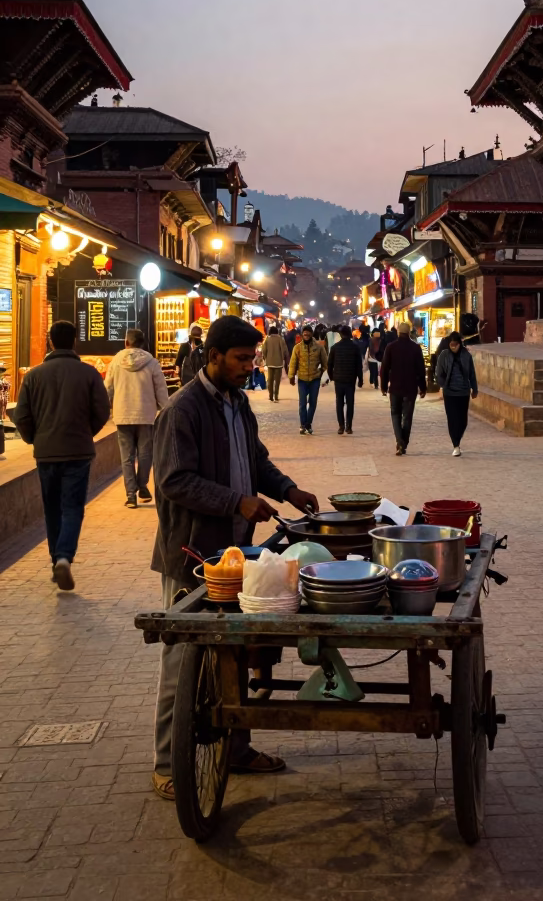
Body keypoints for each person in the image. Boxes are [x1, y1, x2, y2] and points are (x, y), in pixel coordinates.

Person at [151, 315, 319, 799]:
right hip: (193, 555)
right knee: (182, 660)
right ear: (214, 358)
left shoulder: (240, 404)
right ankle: (168, 763)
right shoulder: (183, 410)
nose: (250, 366)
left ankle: (237, 746)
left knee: (234, 655)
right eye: (242, 359)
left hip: (238, 553)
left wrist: (288, 489)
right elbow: (174, 481)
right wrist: (236, 501)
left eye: (252, 358)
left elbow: (256, 460)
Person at [14, 320, 110, 591]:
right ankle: (64, 557)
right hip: (78, 452)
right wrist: (86, 432)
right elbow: (103, 410)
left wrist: (35, 438)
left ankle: (56, 558)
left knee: (52, 509)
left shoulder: (34, 375)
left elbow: (21, 415)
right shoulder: (88, 374)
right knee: (72, 508)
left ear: (51, 341)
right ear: (75, 341)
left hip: (46, 453)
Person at [105, 328, 169, 508]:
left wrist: (104, 409)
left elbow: (107, 388)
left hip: (122, 414)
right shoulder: (152, 362)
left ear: (126, 343)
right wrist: (166, 410)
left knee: (127, 456)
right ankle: (142, 485)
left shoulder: (116, 361)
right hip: (145, 414)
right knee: (145, 453)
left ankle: (131, 495)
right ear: (142, 344)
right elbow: (161, 390)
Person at [380, 322, 426, 455]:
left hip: (395, 387)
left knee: (395, 414)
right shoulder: (415, 348)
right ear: (409, 332)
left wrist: (383, 386)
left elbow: (384, 369)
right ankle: (403, 442)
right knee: (407, 416)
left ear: (399, 332)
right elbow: (421, 370)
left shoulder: (391, 347)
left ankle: (400, 440)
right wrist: (422, 388)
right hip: (410, 388)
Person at [435, 332, 478, 456]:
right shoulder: (444, 355)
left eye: (455, 344)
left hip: (463, 392)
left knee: (463, 420)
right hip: (449, 393)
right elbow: (439, 373)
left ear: (459, 344)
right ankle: (456, 444)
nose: (453, 347)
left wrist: (474, 389)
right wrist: (443, 385)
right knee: (452, 419)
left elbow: (472, 374)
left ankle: (457, 440)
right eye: (451, 344)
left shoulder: (466, 356)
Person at [288, 325, 327, 434]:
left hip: (315, 379)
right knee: (302, 403)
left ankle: (308, 424)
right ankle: (302, 424)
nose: (306, 335)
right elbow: (293, 363)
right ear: (302, 335)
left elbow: (325, 363)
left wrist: (324, 377)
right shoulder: (297, 348)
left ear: (311, 334)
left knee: (313, 403)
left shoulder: (319, 348)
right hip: (302, 379)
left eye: (308, 333)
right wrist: (291, 376)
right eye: (304, 333)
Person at [327, 325, 364, 434]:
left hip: (338, 379)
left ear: (341, 334)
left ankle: (341, 426)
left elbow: (329, 365)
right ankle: (349, 426)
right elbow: (359, 365)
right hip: (350, 379)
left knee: (339, 403)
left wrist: (331, 376)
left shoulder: (334, 348)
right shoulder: (355, 347)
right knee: (350, 403)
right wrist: (360, 379)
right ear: (350, 334)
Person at [262, 324, 289, 401]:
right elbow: (285, 350)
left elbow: (264, 350)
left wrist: (265, 358)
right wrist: (285, 357)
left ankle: (270, 396)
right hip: (279, 363)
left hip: (270, 363)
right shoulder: (281, 339)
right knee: (277, 380)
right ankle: (276, 396)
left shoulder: (267, 339)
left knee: (270, 379)